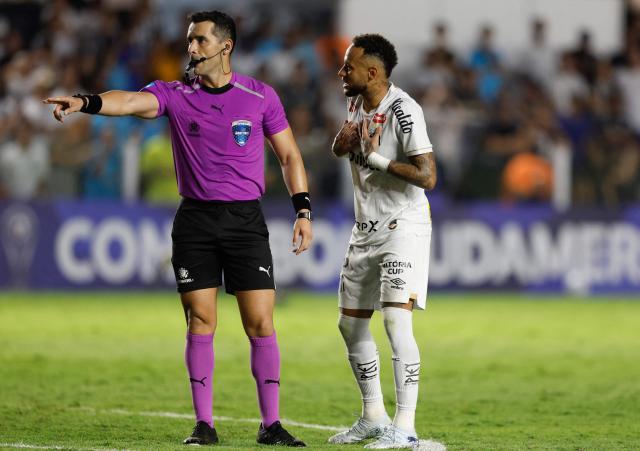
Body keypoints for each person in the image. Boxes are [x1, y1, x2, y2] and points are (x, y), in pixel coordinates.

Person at [44, 10, 312, 448]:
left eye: (200, 41)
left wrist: (303, 211)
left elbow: (290, 157)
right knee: (201, 320)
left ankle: (271, 425)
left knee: (261, 323)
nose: (191, 48)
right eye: (189, 40)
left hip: (246, 221)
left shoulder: (260, 96)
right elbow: (128, 101)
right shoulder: (175, 94)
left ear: (225, 47)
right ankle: (203, 425)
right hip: (195, 221)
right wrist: (85, 102)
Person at [328, 34, 437, 449]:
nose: (342, 73)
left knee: (394, 320)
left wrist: (375, 159)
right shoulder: (356, 102)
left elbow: (428, 176)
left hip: (403, 226)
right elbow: (341, 147)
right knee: (350, 324)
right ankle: (373, 416)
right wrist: (347, 142)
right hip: (365, 228)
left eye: (348, 67)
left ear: (372, 72)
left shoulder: (405, 111)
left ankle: (405, 426)